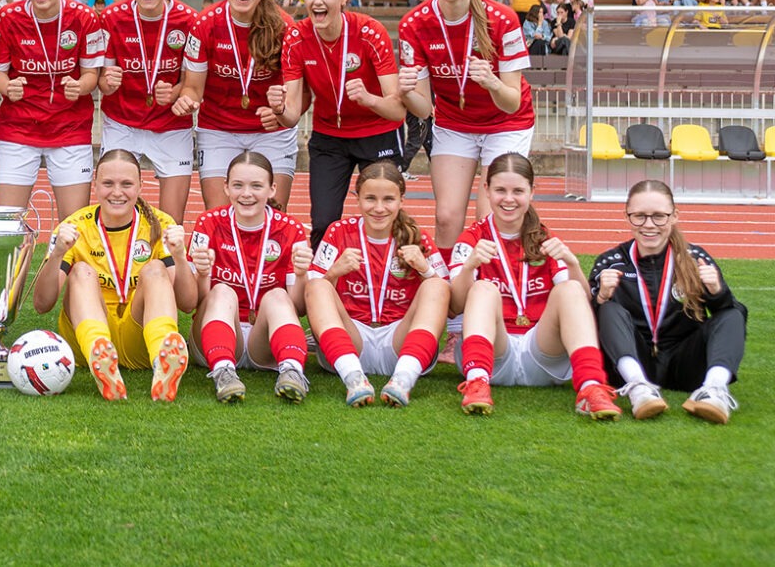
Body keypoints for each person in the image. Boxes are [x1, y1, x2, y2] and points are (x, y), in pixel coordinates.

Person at [448, 153, 622, 419]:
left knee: (570, 289)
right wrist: (470, 266)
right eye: (500, 190)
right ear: (486, 190)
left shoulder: (544, 238)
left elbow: (580, 303)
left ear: (531, 192)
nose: (508, 199)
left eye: (518, 190)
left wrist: (573, 264)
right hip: (495, 354)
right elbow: (456, 306)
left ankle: (591, 387)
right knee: (483, 289)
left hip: (542, 354)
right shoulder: (472, 238)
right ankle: (476, 383)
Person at [398, 0, 534, 263]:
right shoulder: (413, 24)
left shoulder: (503, 19)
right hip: (454, 124)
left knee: (491, 218)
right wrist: (405, 93)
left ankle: (490, 292)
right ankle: (448, 294)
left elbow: (511, 101)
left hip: (506, 122)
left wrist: (491, 82)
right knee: (446, 217)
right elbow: (424, 108)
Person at [32, 149, 193, 402]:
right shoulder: (76, 226)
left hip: (140, 336)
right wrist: (57, 254)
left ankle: (164, 352)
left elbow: (188, 303)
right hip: (85, 339)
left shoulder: (161, 224)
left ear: (141, 185)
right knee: (82, 271)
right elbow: (41, 304)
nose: (117, 192)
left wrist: (181, 258)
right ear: (95, 184)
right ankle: (99, 351)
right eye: (108, 183)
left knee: (155, 269)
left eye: (126, 184)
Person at [273, 0, 407, 246]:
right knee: (323, 222)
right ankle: (323, 283)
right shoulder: (296, 36)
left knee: (384, 216)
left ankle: (392, 280)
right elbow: (292, 115)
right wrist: (279, 108)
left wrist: (369, 99)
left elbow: (397, 109)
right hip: (329, 137)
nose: (317, 1)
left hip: (378, 133)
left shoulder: (370, 32)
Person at [590, 180, 747, 423]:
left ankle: (713, 390)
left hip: (686, 365)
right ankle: (638, 388)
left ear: (674, 216)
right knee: (608, 308)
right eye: (639, 216)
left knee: (733, 312)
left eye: (659, 216)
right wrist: (599, 299)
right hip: (633, 361)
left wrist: (718, 292)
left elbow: (730, 321)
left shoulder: (696, 259)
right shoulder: (610, 262)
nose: (649, 225)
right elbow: (586, 326)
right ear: (627, 216)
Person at [306, 162, 451, 407]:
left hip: (400, 340)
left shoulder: (418, 237)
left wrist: (424, 269)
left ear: (401, 200)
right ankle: (353, 378)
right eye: (370, 198)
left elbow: (450, 300)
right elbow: (307, 296)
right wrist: (333, 273)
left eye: (389, 199)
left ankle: (404, 379)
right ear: (358, 198)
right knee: (318, 286)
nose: (379, 208)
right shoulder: (337, 232)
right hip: (352, 339)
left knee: (436, 286)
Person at [175, 0, 297, 211]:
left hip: (272, 132)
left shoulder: (284, 26)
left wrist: (281, 110)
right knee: (219, 216)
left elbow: (298, 95)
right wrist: (186, 100)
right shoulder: (205, 23)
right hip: (219, 130)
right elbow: (193, 88)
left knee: (273, 216)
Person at [186, 152, 312, 403]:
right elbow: (194, 302)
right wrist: (202, 274)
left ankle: (291, 370)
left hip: (263, 341)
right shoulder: (208, 223)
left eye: (256, 186)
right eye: (238, 185)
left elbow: (296, 307)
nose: (246, 194)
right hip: (213, 336)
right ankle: (223, 372)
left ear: (272, 188)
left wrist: (301, 275)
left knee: (278, 295)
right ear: (226, 187)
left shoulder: (290, 229)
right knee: (221, 290)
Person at [0, 0, 105, 220]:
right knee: (5, 223)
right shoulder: (8, 17)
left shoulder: (84, 17)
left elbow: (91, 75)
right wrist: (7, 87)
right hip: (18, 128)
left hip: (70, 129)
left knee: (73, 227)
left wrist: (80, 86)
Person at [97, 0, 198, 224]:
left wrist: (176, 92)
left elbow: (193, 80)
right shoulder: (111, 17)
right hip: (122, 123)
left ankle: (165, 267)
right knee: (115, 209)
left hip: (171, 126)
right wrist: (107, 82)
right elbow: (103, 80)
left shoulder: (189, 20)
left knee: (171, 220)